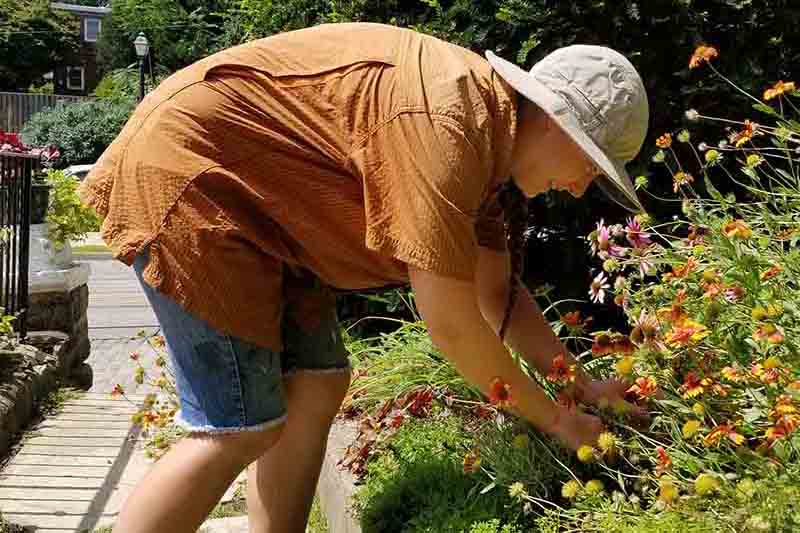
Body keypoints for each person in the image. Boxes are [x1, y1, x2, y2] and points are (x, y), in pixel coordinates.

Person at [80, 22, 649, 533]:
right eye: (590, 167)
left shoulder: (488, 150)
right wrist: (554, 419)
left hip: (268, 214)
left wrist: (580, 385)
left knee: (317, 381)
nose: (579, 189)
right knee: (238, 427)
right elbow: (453, 325)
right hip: (192, 180)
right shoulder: (448, 125)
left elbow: (496, 296)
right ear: (556, 123)